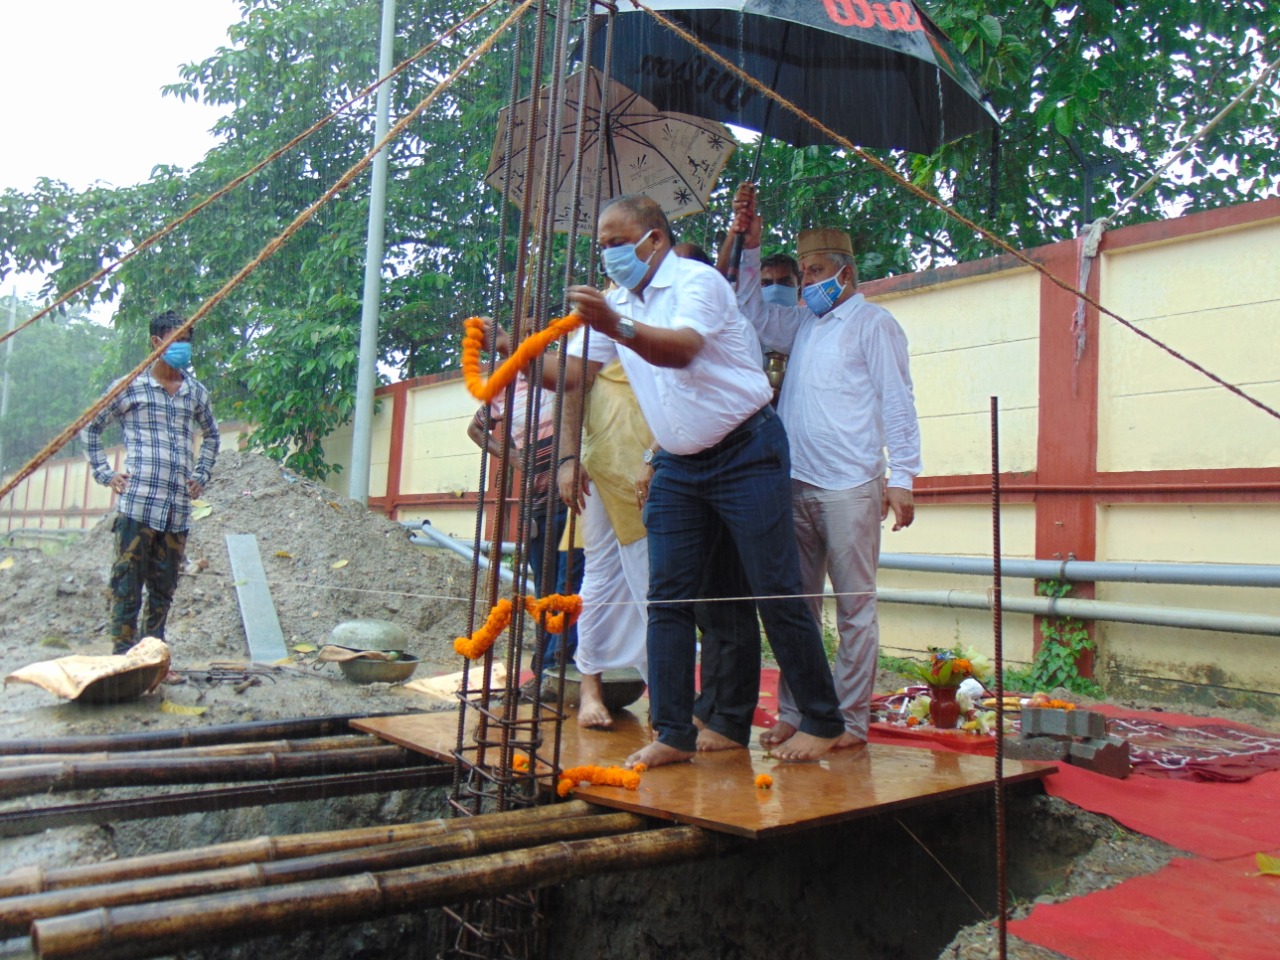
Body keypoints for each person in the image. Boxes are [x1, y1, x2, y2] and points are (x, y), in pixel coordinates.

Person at [567, 194, 845, 769]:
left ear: (656, 239)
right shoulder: (619, 300)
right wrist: (505, 355)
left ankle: (822, 719)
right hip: (677, 464)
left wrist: (614, 322)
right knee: (670, 599)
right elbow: (572, 372)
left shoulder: (696, 282)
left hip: (747, 451)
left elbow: (683, 350)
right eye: (603, 246)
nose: (609, 255)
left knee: (772, 589)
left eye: (619, 242)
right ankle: (675, 731)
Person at [730, 183, 923, 749]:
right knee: (798, 610)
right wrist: (746, 245)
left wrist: (904, 478)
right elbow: (748, 310)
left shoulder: (875, 325)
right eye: (805, 273)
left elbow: (897, 401)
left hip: (852, 485)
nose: (808, 282)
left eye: (816, 272)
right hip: (795, 483)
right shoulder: (803, 326)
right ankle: (798, 712)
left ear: (845, 274)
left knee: (855, 609)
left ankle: (852, 723)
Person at [82, 310, 220, 667]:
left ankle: (153, 662)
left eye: (188, 340)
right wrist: (105, 474)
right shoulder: (129, 387)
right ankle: (121, 664)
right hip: (138, 507)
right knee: (127, 588)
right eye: (178, 340)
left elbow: (212, 436)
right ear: (157, 343)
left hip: (176, 511)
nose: (184, 348)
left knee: (163, 593)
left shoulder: (195, 393)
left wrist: (201, 474)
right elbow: (90, 427)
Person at [466, 320, 583, 674]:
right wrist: (513, 457)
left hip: (572, 495)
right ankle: (545, 669)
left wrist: (510, 342)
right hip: (537, 502)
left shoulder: (555, 367)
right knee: (546, 586)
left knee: (568, 583)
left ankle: (555, 667)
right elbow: (475, 429)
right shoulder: (502, 385)